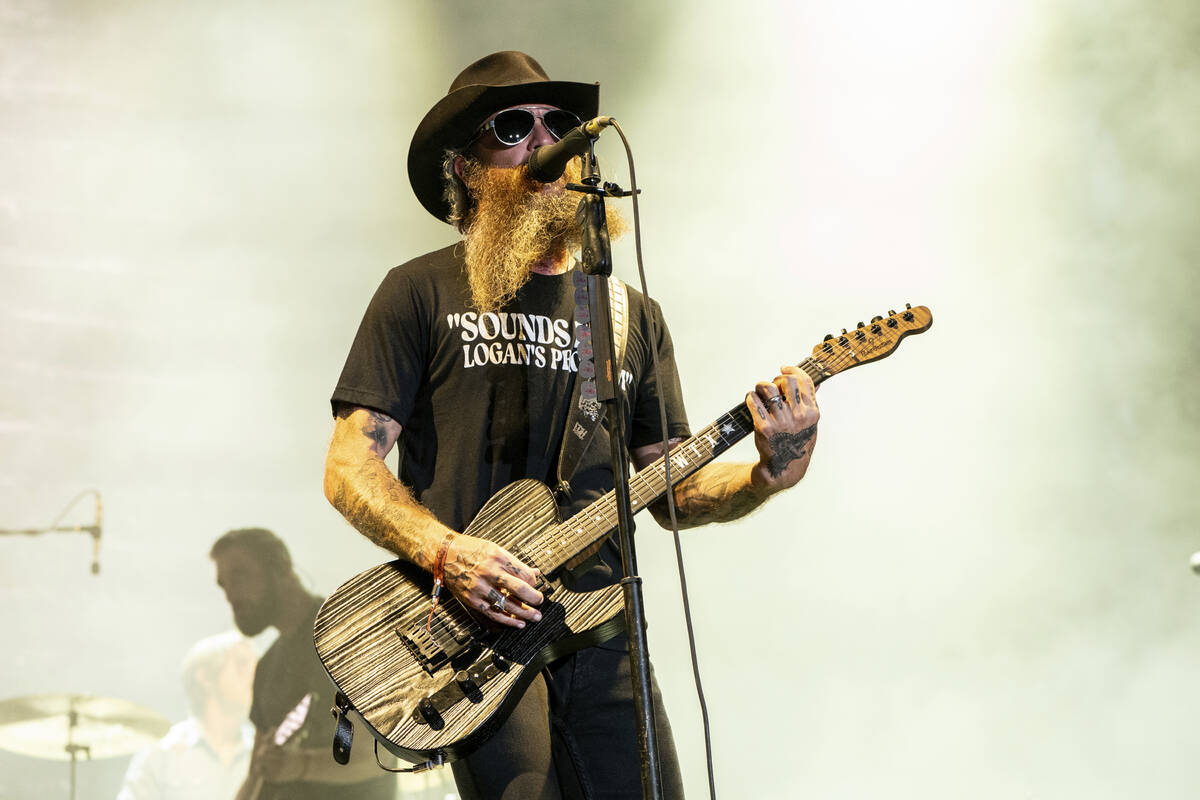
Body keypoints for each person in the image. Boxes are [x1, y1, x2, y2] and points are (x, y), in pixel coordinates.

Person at [323, 51, 820, 800]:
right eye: (512, 127)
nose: (544, 141)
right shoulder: (418, 292)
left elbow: (672, 489)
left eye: (559, 124)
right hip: (479, 638)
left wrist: (764, 474)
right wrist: (447, 553)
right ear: (464, 167)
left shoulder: (627, 314)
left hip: (605, 634)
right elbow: (348, 467)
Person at [209, 527, 398, 800]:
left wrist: (299, 765)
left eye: (239, 575)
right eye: (223, 585)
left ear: (281, 566)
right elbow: (256, 775)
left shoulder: (341, 637)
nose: (230, 595)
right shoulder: (266, 667)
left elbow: (376, 757)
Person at [116, 631, 256, 800]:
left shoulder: (263, 753)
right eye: (242, 664)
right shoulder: (160, 753)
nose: (254, 674)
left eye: (257, 666)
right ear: (205, 677)